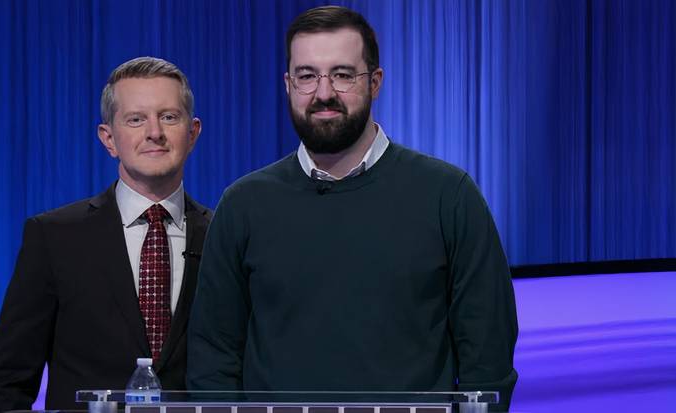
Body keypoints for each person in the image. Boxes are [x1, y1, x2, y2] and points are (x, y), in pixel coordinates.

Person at [187, 6, 518, 411]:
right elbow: (213, 355)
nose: (323, 93)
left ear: (375, 82)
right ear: (288, 85)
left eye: (343, 74)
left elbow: (488, 356)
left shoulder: (449, 196)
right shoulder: (243, 204)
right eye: (307, 76)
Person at [0, 57, 211, 412]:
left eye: (169, 117)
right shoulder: (55, 237)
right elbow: (8, 381)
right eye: (136, 120)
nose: (155, 132)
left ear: (193, 132)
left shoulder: (223, 236)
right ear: (109, 139)